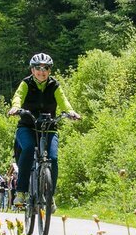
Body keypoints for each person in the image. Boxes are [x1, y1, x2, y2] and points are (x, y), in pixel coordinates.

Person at [6, 53, 81, 207]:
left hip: (48, 128)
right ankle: (21, 192)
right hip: (27, 126)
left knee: (53, 159)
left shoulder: (54, 85)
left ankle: (50, 195)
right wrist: (15, 107)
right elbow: (18, 96)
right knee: (28, 148)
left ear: (49, 70)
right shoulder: (26, 83)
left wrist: (70, 112)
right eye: (38, 68)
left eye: (45, 68)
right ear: (32, 70)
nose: (42, 71)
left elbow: (63, 101)